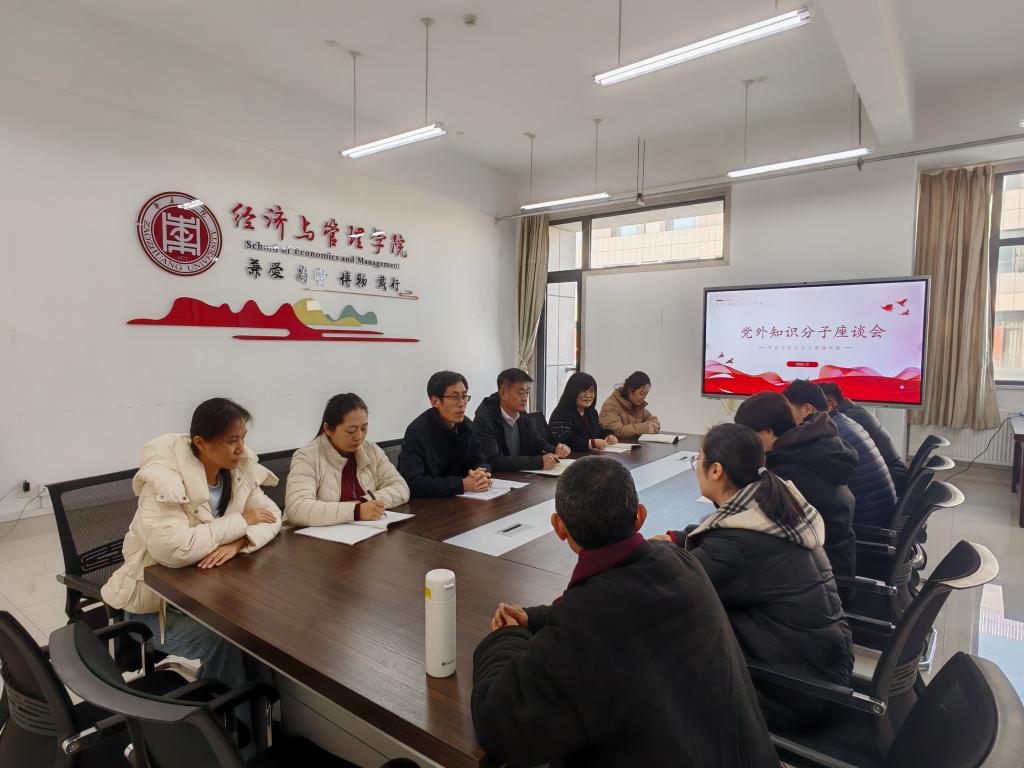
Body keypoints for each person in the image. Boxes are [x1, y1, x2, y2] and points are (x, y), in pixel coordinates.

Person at [472, 456, 777, 768]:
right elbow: (612, 615)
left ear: (559, 527)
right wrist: (538, 619)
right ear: (640, 516)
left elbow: (497, 723)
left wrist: (506, 637)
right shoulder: (681, 561)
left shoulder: (586, 625)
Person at [655, 423, 853, 731]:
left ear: (716, 471)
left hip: (790, 691)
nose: (697, 468)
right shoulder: (774, 501)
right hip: (822, 668)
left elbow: (672, 588)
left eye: (698, 459)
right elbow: (728, 541)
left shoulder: (734, 546)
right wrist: (678, 539)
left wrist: (653, 554)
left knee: (661, 639)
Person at [101, 398, 282, 690]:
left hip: (209, 594)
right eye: (231, 441)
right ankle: (221, 712)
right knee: (228, 641)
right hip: (154, 606)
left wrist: (238, 542)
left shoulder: (238, 471)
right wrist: (241, 521)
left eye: (243, 438)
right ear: (200, 443)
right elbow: (176, 549)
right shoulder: (164, 482)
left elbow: (272, 516)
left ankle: (261, 710)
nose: (241, 448)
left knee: (259, 632)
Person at [735, 391, 859, 585]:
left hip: (822, 581)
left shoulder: (787, 473)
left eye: (749, 434)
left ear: (768, 432)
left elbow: (756, 525)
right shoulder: (812, 449)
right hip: (837, 563)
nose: (745, 443)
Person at [783, 380, 897, 527]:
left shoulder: (828, 436)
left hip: (865, 525)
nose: (787, 418)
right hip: (879, 515)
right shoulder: (841, 422)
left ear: (807, 409)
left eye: (788, 411)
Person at [286, 393, 410, 525]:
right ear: (328, 429)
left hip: (367, 531)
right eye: (351, 430)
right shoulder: (306, 457)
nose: (359, 437)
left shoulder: (371, 451)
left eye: (364, 428)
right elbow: (297, 508)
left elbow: (401, 487)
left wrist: (363, 502)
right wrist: (356, 511)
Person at [398, 370, 491, 497]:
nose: (462, 404)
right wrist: (462, 484)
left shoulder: (467, 426)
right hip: (430, 504)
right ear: (435, 401)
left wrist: (480, 475)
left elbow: (481, 460)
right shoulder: (417, 432)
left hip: (463, 498)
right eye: (454, 397)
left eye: (464, 396)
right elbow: (412, 482)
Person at [819, 381, 910, 493]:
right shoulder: (852, 410)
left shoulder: (846, 420)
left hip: (893, 479)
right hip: (892, 475)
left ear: (831, 404)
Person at [473, 368, 571, 471]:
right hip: (499, 478)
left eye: (527, 392)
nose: (525, 398)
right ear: (503, 393)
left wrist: (555, 450)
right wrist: (537, 462)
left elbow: (536, 442)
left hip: (521, 475)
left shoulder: (522, 414)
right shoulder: (484, 419)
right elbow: (493, 461)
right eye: (520, 393)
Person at [549, 372, 619, 451]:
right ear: (572, 392)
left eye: (592, 391)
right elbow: (564, 439)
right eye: (583, 391)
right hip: (570, 457)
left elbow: (599, 430)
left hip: (589, 455)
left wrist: (608, 436)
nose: (588, 395)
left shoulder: (592, 412)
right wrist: (592, 443)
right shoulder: (561, 412)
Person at [598, 370, 662, 439]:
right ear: (630, 389)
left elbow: (653, 419)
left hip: (633, 444)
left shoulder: (637, 405)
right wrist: (644, 428)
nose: (643, 398)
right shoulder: (611, 406)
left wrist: (653, 426)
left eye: (645, 394)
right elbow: (616, 431)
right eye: (641, 394)